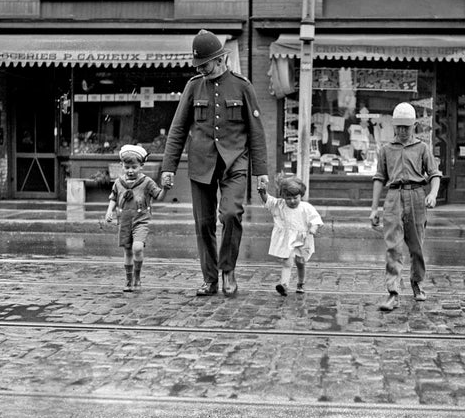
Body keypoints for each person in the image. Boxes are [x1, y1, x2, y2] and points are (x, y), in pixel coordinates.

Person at [161, 29, 269, 297]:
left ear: (220, 59)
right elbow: (177, 130)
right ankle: (209, 279)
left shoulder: (243, 86)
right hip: (201, 164)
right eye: (198, 65)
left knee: (231, 214)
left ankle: (228, 270)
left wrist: (261, 173)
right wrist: (168, 168)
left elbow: (256, 131)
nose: (201, 69)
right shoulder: (193, 87)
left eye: (205, 64)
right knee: (203, 223)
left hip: (235, 163)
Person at [368, 102, 441, 311]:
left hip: (417, 197)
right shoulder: (386, 150)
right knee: (393, 247)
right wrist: (374, 209)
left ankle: (417, 283)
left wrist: (433, 195)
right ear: (393, 126)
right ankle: (393, 292)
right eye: (398, 127)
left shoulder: (422, 148)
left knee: (417, 246)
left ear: (414, 126)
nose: (402, 131)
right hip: (393, 198)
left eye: (406, 128)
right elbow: (379, 178)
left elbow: (434, 175)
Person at [105, 144, 168, 292]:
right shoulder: (119, 182)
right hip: (124, 221)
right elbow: (113, 197)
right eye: (127, 167)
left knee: (137, 248)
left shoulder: (147, 182)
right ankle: (129, 280)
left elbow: (158, 196)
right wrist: (109, 212)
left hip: (141, 220)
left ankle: (137, 277)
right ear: (122, 166)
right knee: (127, 251)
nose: (130, 170)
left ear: (141, 166)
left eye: (134, 167)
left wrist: (165, 189)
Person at [258, 175, 323, 296]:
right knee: (287, 262)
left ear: (301, 195)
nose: (292, 201)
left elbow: (315, 219)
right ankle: (284, 285)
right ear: (283, 197)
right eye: (288, 198)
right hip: (287, 240)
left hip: (302, 240)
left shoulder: (306, 207)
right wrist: (263, 192)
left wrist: (314, 228)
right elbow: (268, 200)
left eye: (295, 198)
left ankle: (301, 283)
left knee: (300, 262)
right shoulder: (280, 205)